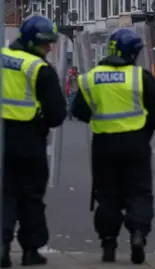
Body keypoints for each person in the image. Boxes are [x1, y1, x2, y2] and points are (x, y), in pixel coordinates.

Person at [71, 28, 155, 264]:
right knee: (139, 193)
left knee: (107, 196)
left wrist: (100, 117)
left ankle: (108, 243)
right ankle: (137, 234)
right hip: (136, 144)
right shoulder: (140, 78)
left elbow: (78, 111)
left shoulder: (90, 78)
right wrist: (144, 129)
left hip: (104, 145)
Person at [1, 15, 66, 268]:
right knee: (30, 197)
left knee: (4, 195)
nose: (49, 49)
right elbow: (57, 115)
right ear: (31, 42)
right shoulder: (40, 69)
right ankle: (30, 251)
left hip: (2, 137)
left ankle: (2, 247)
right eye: (45, 44)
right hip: (29, 140)